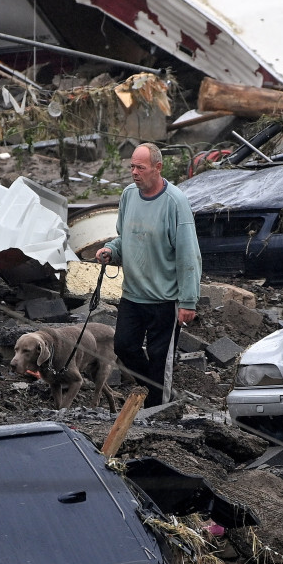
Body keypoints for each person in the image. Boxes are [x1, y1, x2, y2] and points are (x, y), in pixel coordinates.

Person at [95, 143, 201, 407]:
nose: (134, 172)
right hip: (133, 294)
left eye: (140, 167)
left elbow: (188, 255)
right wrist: (111, 250)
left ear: (157, 167)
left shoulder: (175, 202)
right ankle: (153, 392)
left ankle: (159, 410)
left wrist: (188, 301)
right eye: (131, 166)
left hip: (165, 299)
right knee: (124, 346)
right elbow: (125, 239)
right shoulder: (129, 195)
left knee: (158, 356)